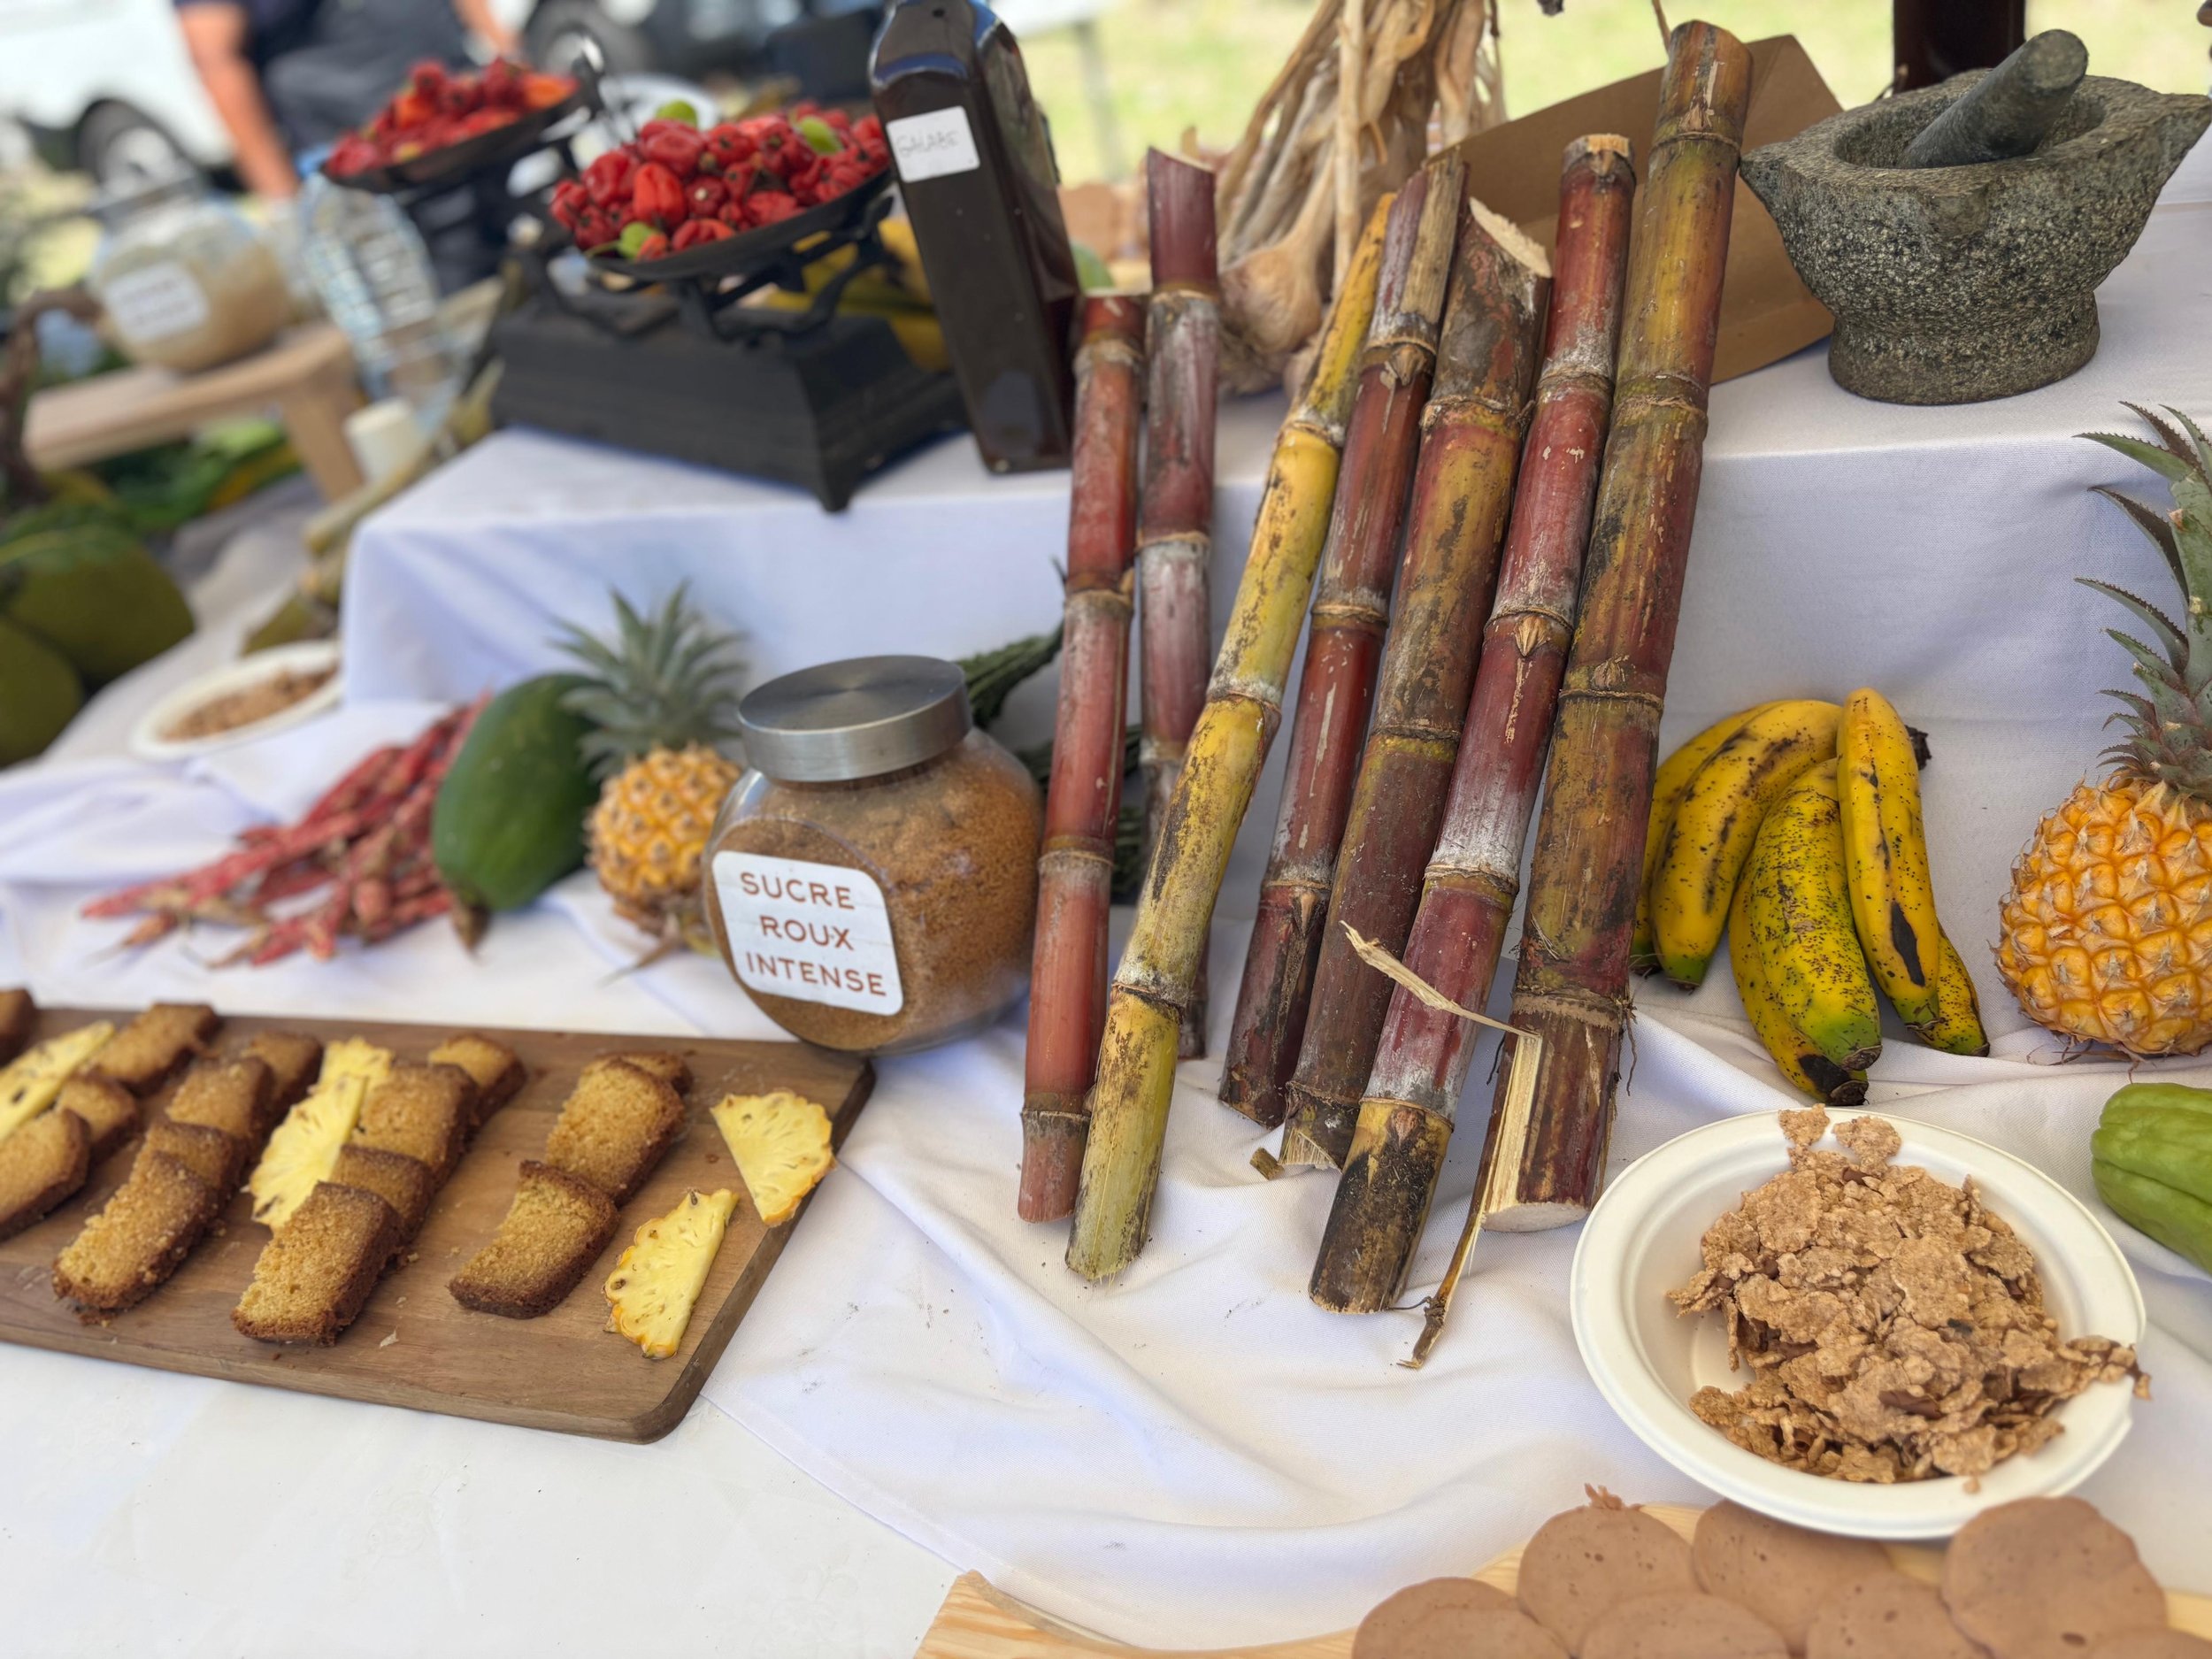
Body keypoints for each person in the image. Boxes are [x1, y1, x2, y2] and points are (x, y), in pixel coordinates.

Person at [175, 0, 518, 201]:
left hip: (465, 107)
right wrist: (284, 203)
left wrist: (507, 52)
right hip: (370, 160)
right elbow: (215, 59)